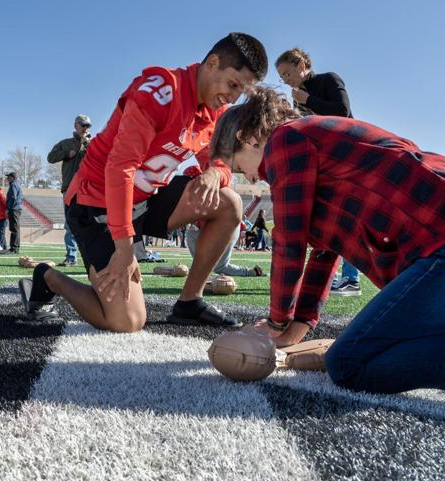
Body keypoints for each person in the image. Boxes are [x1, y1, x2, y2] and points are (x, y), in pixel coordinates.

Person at [210, 86, 445, 401]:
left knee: (350, 364)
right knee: (378, 350)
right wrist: (297, 326)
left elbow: (289, 240)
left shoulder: (286, 138)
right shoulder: (316, 143)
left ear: (245, 137)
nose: (254, 177)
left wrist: (276, 321)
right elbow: (324, 252)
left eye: (243, 167)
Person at [22, 32, 268, 330]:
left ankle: (190, 301)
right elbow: (120, 168)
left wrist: (216, 171)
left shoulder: (215, 111)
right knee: (128, 321)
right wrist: (125, 249)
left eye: (241, 90)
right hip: (97, 203)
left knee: (228, 202)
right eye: (232, 84)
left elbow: (220, 160)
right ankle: (48, 277)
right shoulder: (161, 91)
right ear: (212, 63)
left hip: (145, 199)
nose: (233, 96)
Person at [277, 47, 360, 297]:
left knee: (347, 217)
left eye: (287, 73)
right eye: (281, 77)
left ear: (302, 64)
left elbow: (344, 114)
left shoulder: (328, 79)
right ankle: (327, 277)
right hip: (323, 161)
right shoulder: (297, 96)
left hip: (347, 156)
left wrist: (308, 101)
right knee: (325, 218)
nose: (285, 80)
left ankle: (351, 279)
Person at [47, 114, 92, 266]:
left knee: (91, 224)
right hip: (69, 189)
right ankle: (71, 257)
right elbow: (50, 157)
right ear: (76, 126)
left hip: (89, 189)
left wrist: (88, 145)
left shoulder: (94, 143)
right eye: (83, 125)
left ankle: (92, 257)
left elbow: (103, 158)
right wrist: (66, 154)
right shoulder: (65, 143)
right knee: (70, 225)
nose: (86, 128)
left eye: (88, 125)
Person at [186, 223, 266, 277]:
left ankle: (251, 272)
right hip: (219, 228)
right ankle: (200, 266)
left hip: (228, 227)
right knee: (191, 233)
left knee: (220, 267)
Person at [5, 172, 23, 253]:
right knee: (15, 228)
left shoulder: (13, 185)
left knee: (14, 229)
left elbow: (13, 197)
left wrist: (8, 209)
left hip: (14, 209)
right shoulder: (17, 184)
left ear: (12, 177)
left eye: (8, 177)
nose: (7, 178)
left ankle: (14, 247)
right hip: (16, 208)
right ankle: (15, 247)